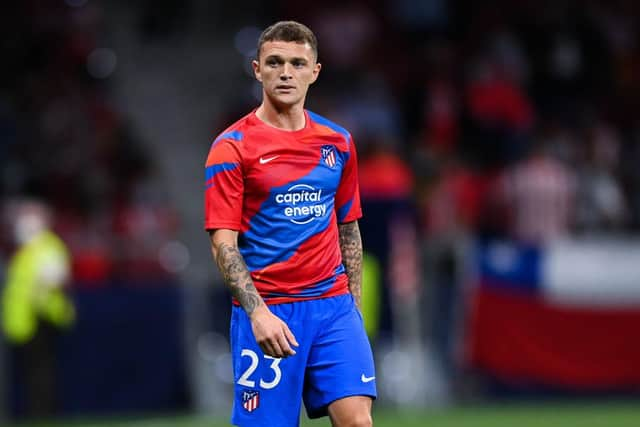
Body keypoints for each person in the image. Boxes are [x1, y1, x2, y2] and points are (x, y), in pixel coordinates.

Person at [204, 21, 376, 427]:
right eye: (275, 62)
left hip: (334, 309)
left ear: (314, 71)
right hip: (271, 311)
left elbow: (348, 228)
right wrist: (258, 314)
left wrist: (353, 307)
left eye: (298, 63)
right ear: (257, 69)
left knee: (358, 421)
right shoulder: (231, 148)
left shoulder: (338, 143)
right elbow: (223, 244)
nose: (286, 72)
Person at [1, 198, 75, 417]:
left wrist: (44, 287)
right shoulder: (26, 250)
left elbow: (58, 277)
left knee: (42, 372)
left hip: (43, 316)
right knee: (32, 372)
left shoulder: (48, 246)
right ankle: (37, 412)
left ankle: (43, 414)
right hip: (24, 320)